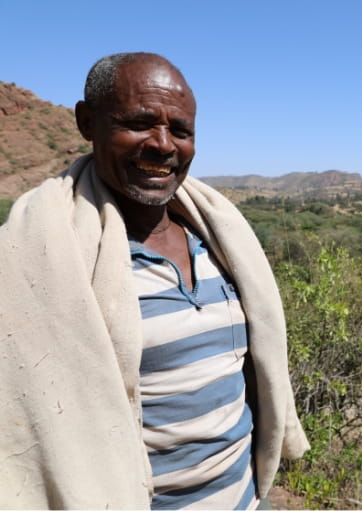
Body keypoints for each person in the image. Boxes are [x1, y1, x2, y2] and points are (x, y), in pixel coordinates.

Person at [0, 52, 309, 509]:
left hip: (247, 497)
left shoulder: (219, 239)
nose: (164, 145)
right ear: (87, 122)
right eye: (139, 123)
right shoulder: (41, 255)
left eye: (181, 131)